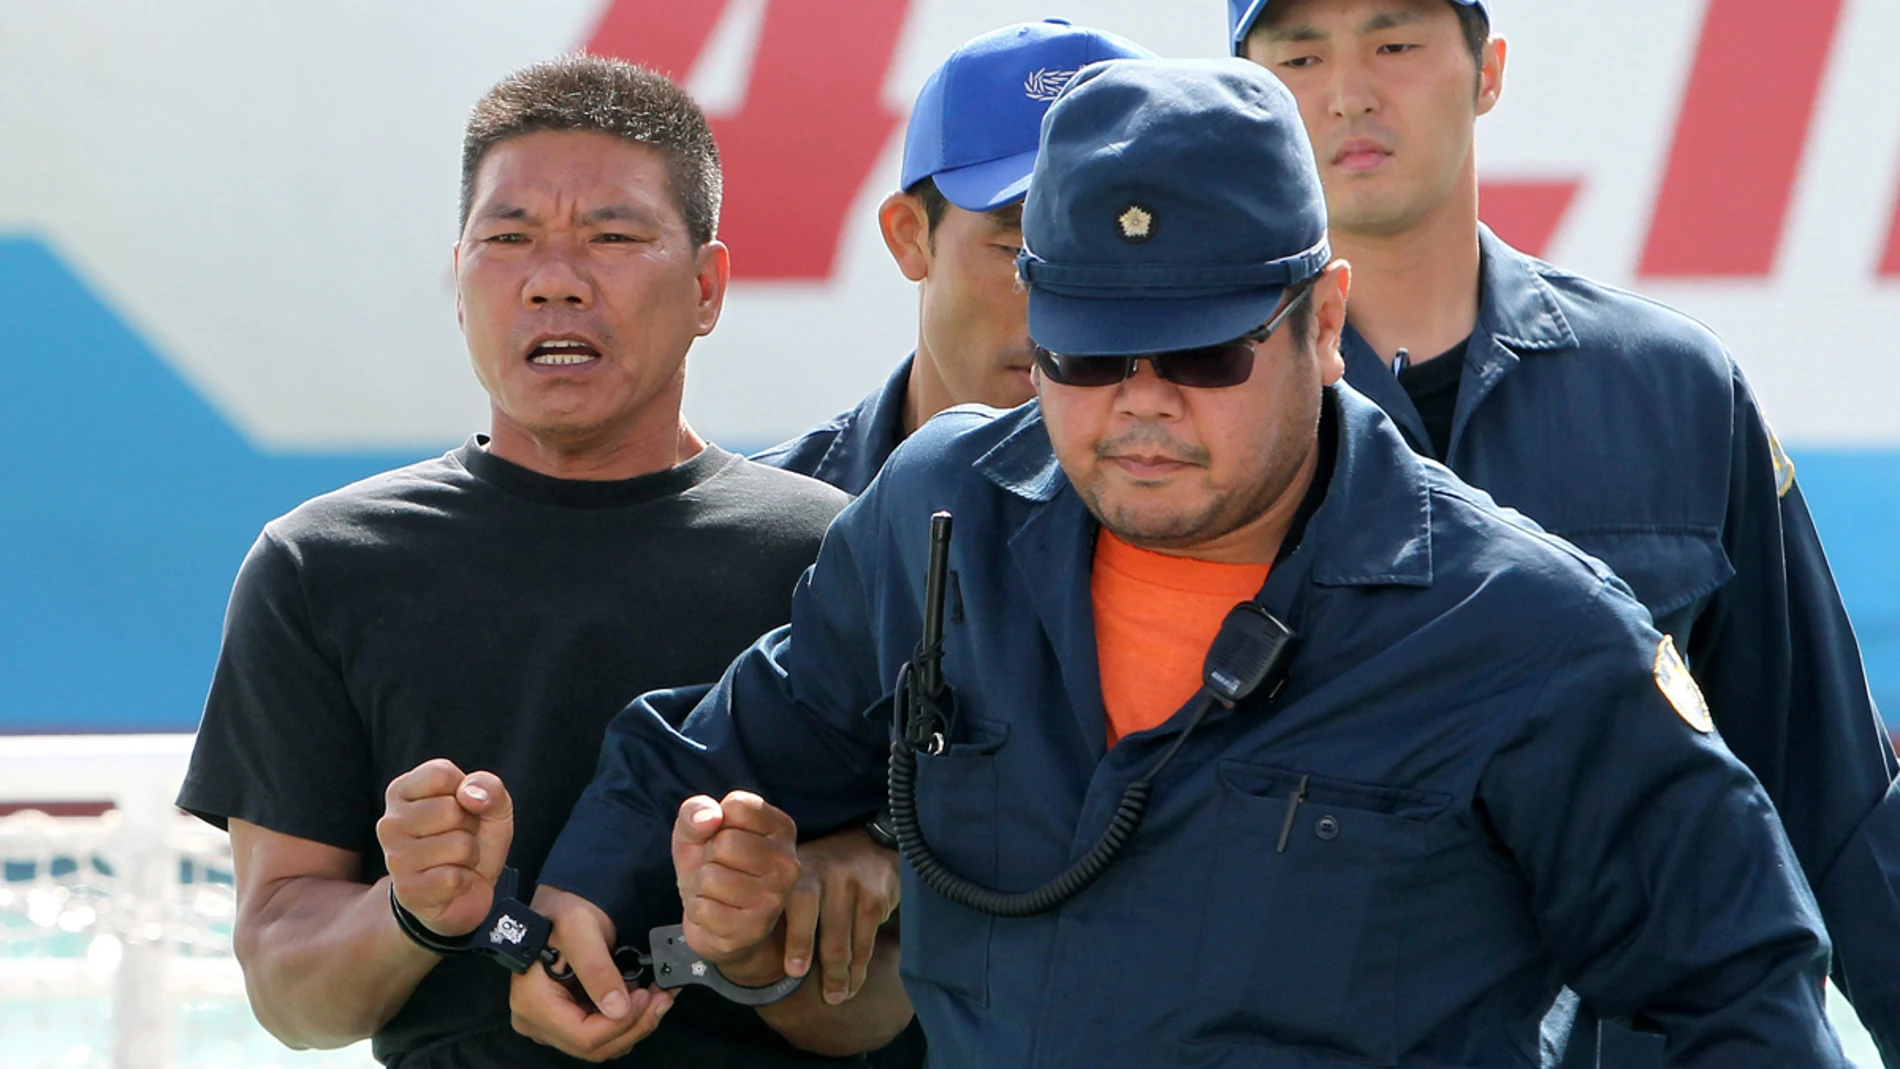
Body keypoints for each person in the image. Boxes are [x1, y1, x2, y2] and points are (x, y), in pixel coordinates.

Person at [514, 58, 1851, 1066]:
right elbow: (748, 732)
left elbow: (1735, 988)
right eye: (1087, 355)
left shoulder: (1532, 637)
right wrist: (589, 882)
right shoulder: (945, 517)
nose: (1139, 404)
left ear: (1323, 320)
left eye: (1207, 353)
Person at [174, 55, 909, 1067]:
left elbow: (897, 998)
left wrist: (747, 944)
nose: (555, 278)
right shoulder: (321, 566)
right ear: (461, 276)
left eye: (612, 237)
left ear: (706, 287)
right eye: (508, 239)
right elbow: (290, 995)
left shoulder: (842, 554)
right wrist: (417, 909)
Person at [1228, 1, 1900, 1063]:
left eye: (1393, 44)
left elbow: (1833, 800)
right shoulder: (1208, 419)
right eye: (1300, 56)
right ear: (1249, 105)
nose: (1349, 90)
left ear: (1487, 70)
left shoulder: (1671, 391)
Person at [753, 18, 1153, 495]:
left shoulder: (1213, 531)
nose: (1066, 303)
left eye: (1116, 251)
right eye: (1021, 250)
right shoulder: (770, 537)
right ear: (909, 236)